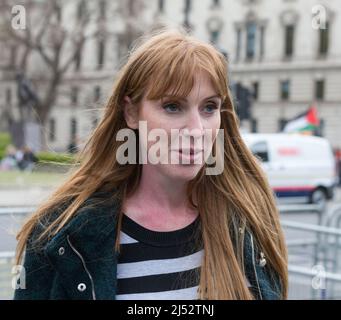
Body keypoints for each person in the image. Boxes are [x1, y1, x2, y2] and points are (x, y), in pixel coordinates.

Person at [14, 28, 288, 300]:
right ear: (131, 112)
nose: (196, 129)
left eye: (209, 107)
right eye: (172, 106)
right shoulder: (60, 232)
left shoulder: (248, 220)